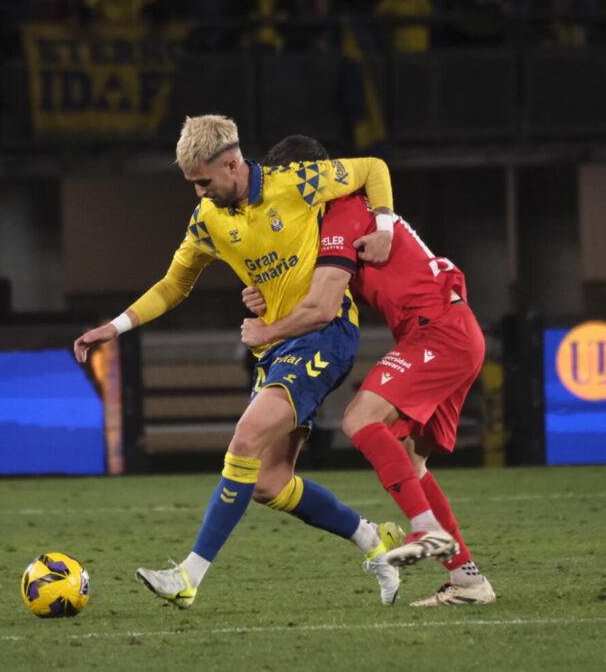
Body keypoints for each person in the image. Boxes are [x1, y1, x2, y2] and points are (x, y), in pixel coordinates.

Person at [73, 115, 403, 608]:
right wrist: (114, 327)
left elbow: (373, 167)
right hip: (274, 349)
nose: (198, 193)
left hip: (323, 335)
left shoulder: (298, 182)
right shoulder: (207, 220)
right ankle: (372, 540)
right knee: (269, 483)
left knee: (244, 437)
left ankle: (188, 577)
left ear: (232, 164)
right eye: (192, 184)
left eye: (203, 182)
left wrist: (385, 226)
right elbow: (173, 285)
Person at [240, 135, 496, 606]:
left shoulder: (341, 214)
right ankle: (468, 580)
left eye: (285, 181)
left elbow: (321, 307)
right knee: (413, 465)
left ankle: (425, 530)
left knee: (360, 419)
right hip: (452, 330)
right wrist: (266, 298)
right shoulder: (345, 217)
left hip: (438, 331)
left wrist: (266, 330)